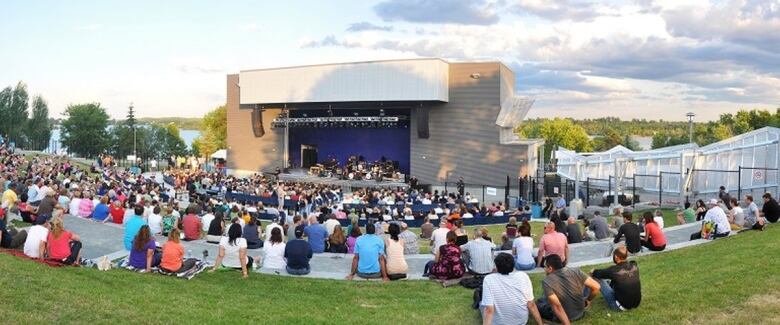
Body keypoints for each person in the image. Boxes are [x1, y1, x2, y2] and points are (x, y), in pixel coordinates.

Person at [535, 254, 601, 324]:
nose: (544, 269)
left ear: (550, 268)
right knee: (545, 298)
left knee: (538, 305)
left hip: (563, 317)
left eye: (545, 267)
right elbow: (596, 286)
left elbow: (557, 306)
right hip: (580, 312)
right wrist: (588, 300)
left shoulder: (547, 281)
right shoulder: (575, 271)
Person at [480, 253, 543, 325]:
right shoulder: (523, 276)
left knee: (482, 304)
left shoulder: (489, 279)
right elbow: (531, 304)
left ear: (496, 267)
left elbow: (489, 310)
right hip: (521, 322)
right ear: (513, 265)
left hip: (498, 323)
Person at [590, 247, 642, 311]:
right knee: (614, 280)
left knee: (596, 278)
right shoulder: (634, 265)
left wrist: (592, 271)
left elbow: (596, 273)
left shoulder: (613, 270)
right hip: (636, 304)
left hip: (618, 306)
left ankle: (584, 299)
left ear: (616, 257)